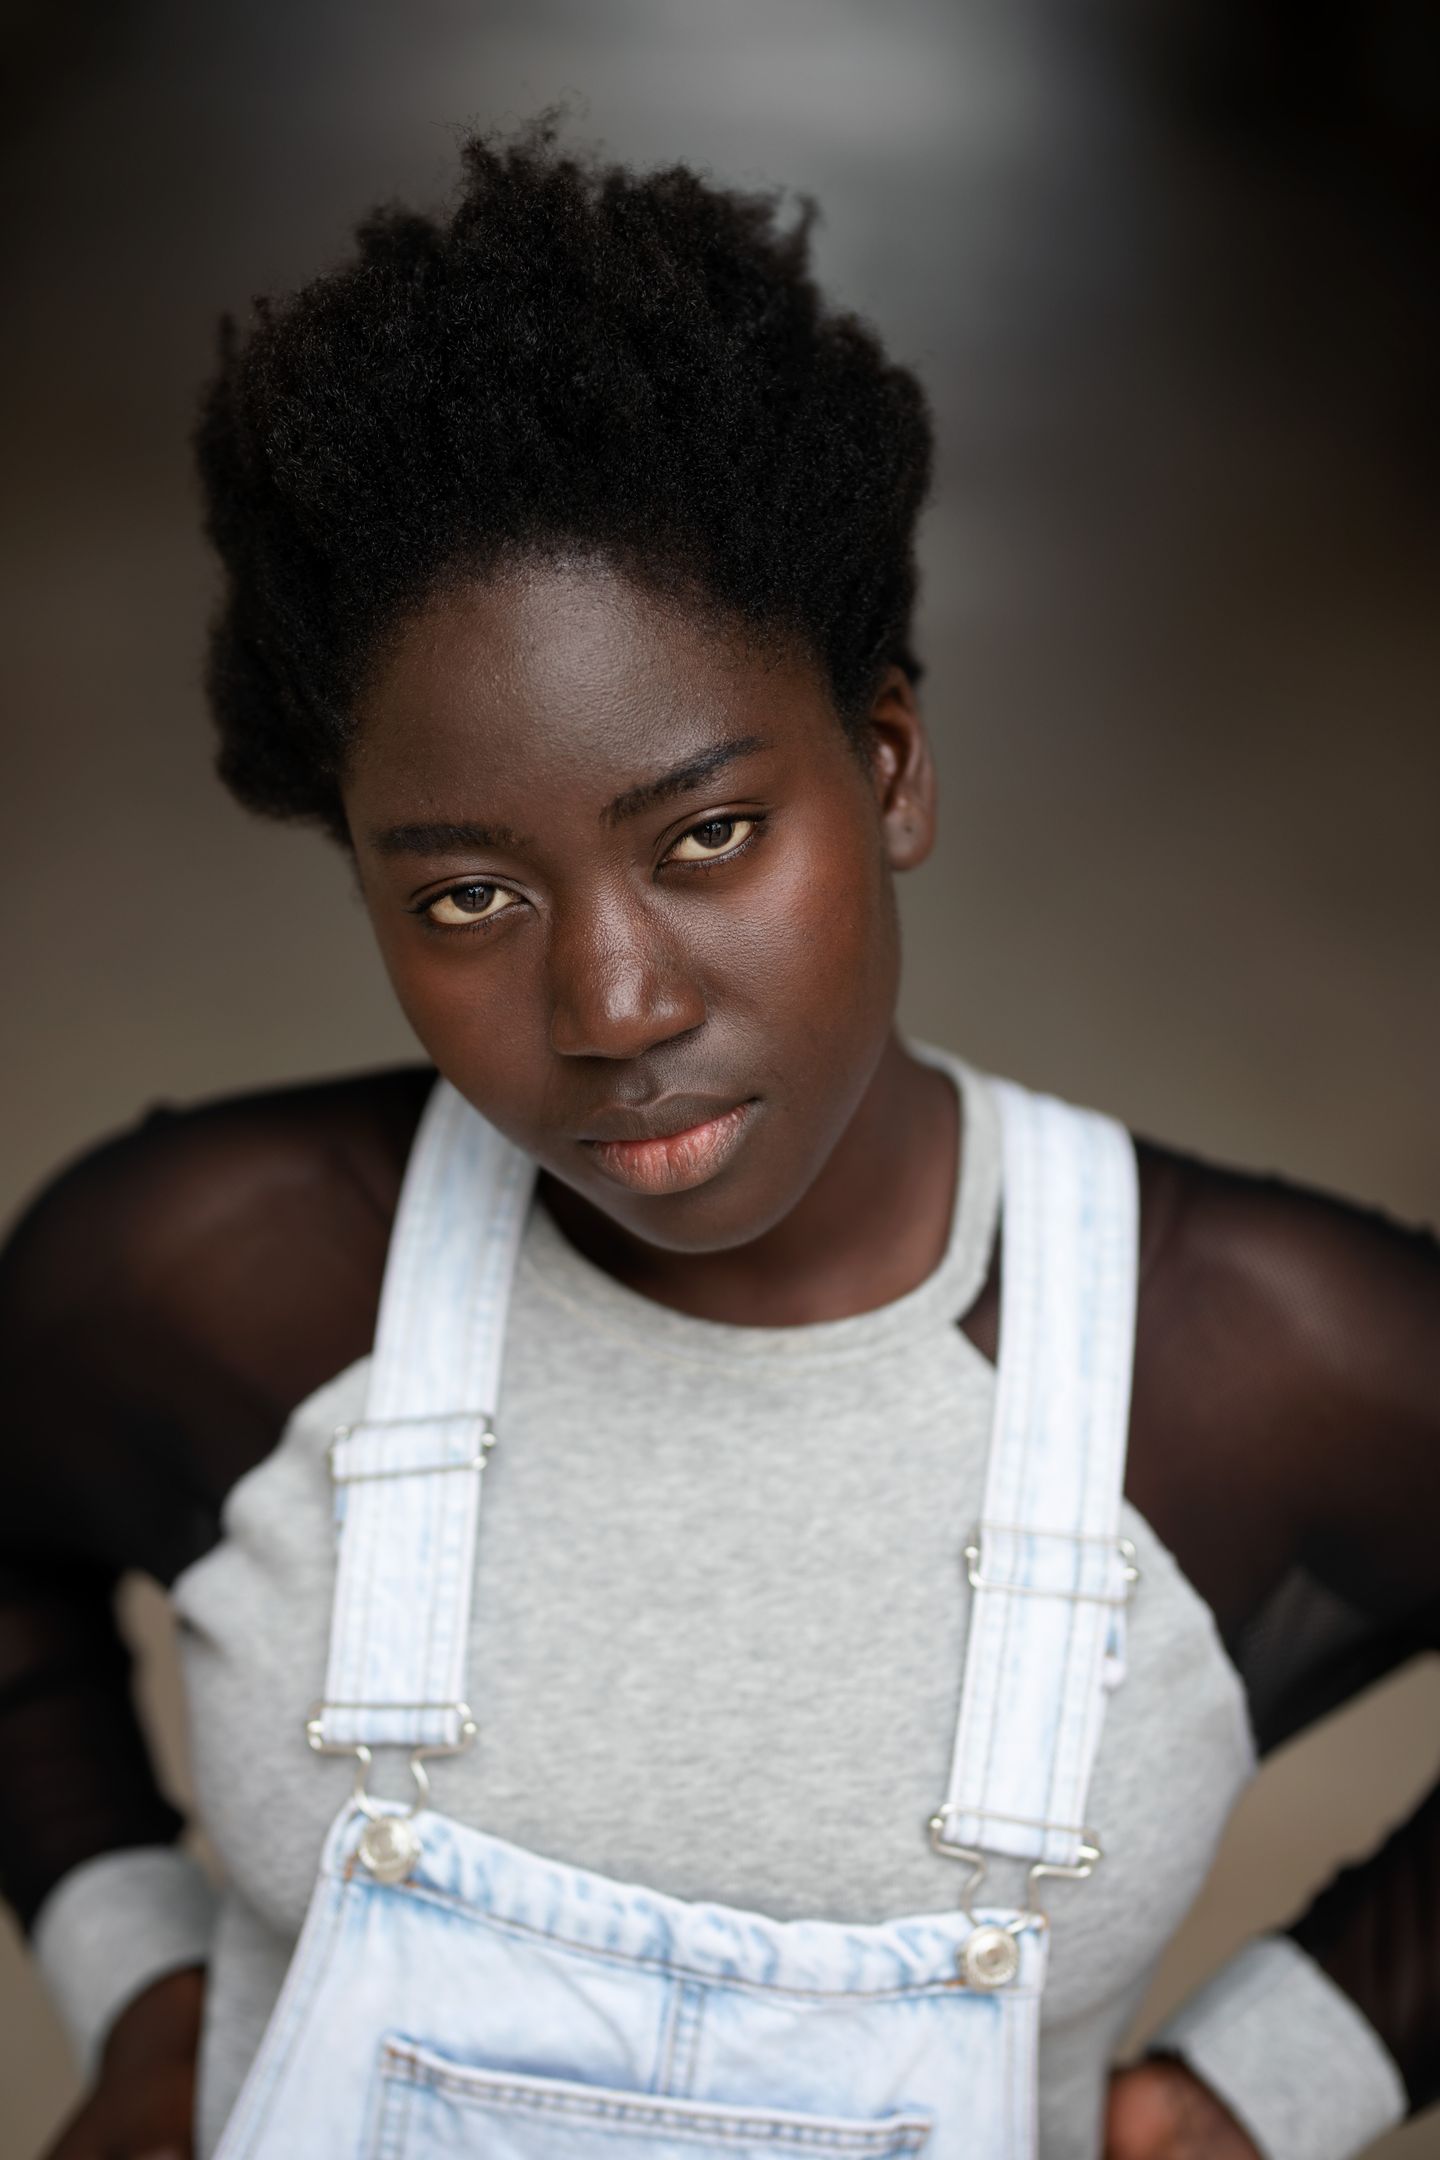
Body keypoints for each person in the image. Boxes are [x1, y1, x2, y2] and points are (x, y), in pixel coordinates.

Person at [1, 121, 1435, 2160]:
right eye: (468, 895)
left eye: (708, 836)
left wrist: (1267, 2085)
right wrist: (135, 1981)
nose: (613, 1009)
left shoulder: (1242, 1368)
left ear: (892, 767)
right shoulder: (216, 1276)